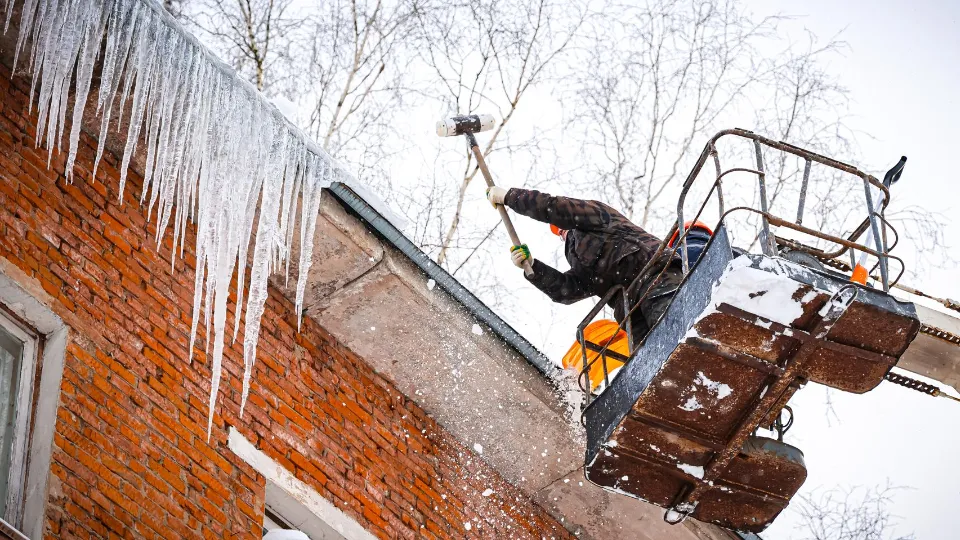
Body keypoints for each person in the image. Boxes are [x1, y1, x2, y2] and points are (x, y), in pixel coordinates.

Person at [487, 186, 706, 349]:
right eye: (560, 234)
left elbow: (552, 207)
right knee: (656, 364)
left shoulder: (596, 215)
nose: (564, 234)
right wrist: (533, 268)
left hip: (654, 276)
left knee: (681, 336)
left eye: (561, 228)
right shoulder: (580, 260)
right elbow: (567, 290)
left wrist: (510, 197)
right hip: (630, 310)